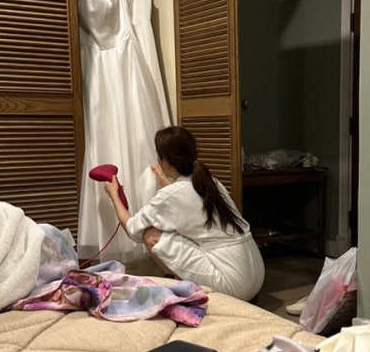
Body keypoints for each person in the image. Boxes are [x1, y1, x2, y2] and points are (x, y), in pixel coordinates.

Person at [104, 125, 265, 302]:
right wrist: (165, 180)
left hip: (233, 283)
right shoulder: (210, 182)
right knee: (176, 231)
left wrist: (114, 195)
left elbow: (132, 229)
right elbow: (185, 202)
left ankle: (178, 288)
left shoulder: (172, 195)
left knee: (151, 235)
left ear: (164, 161)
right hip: (255, 274)